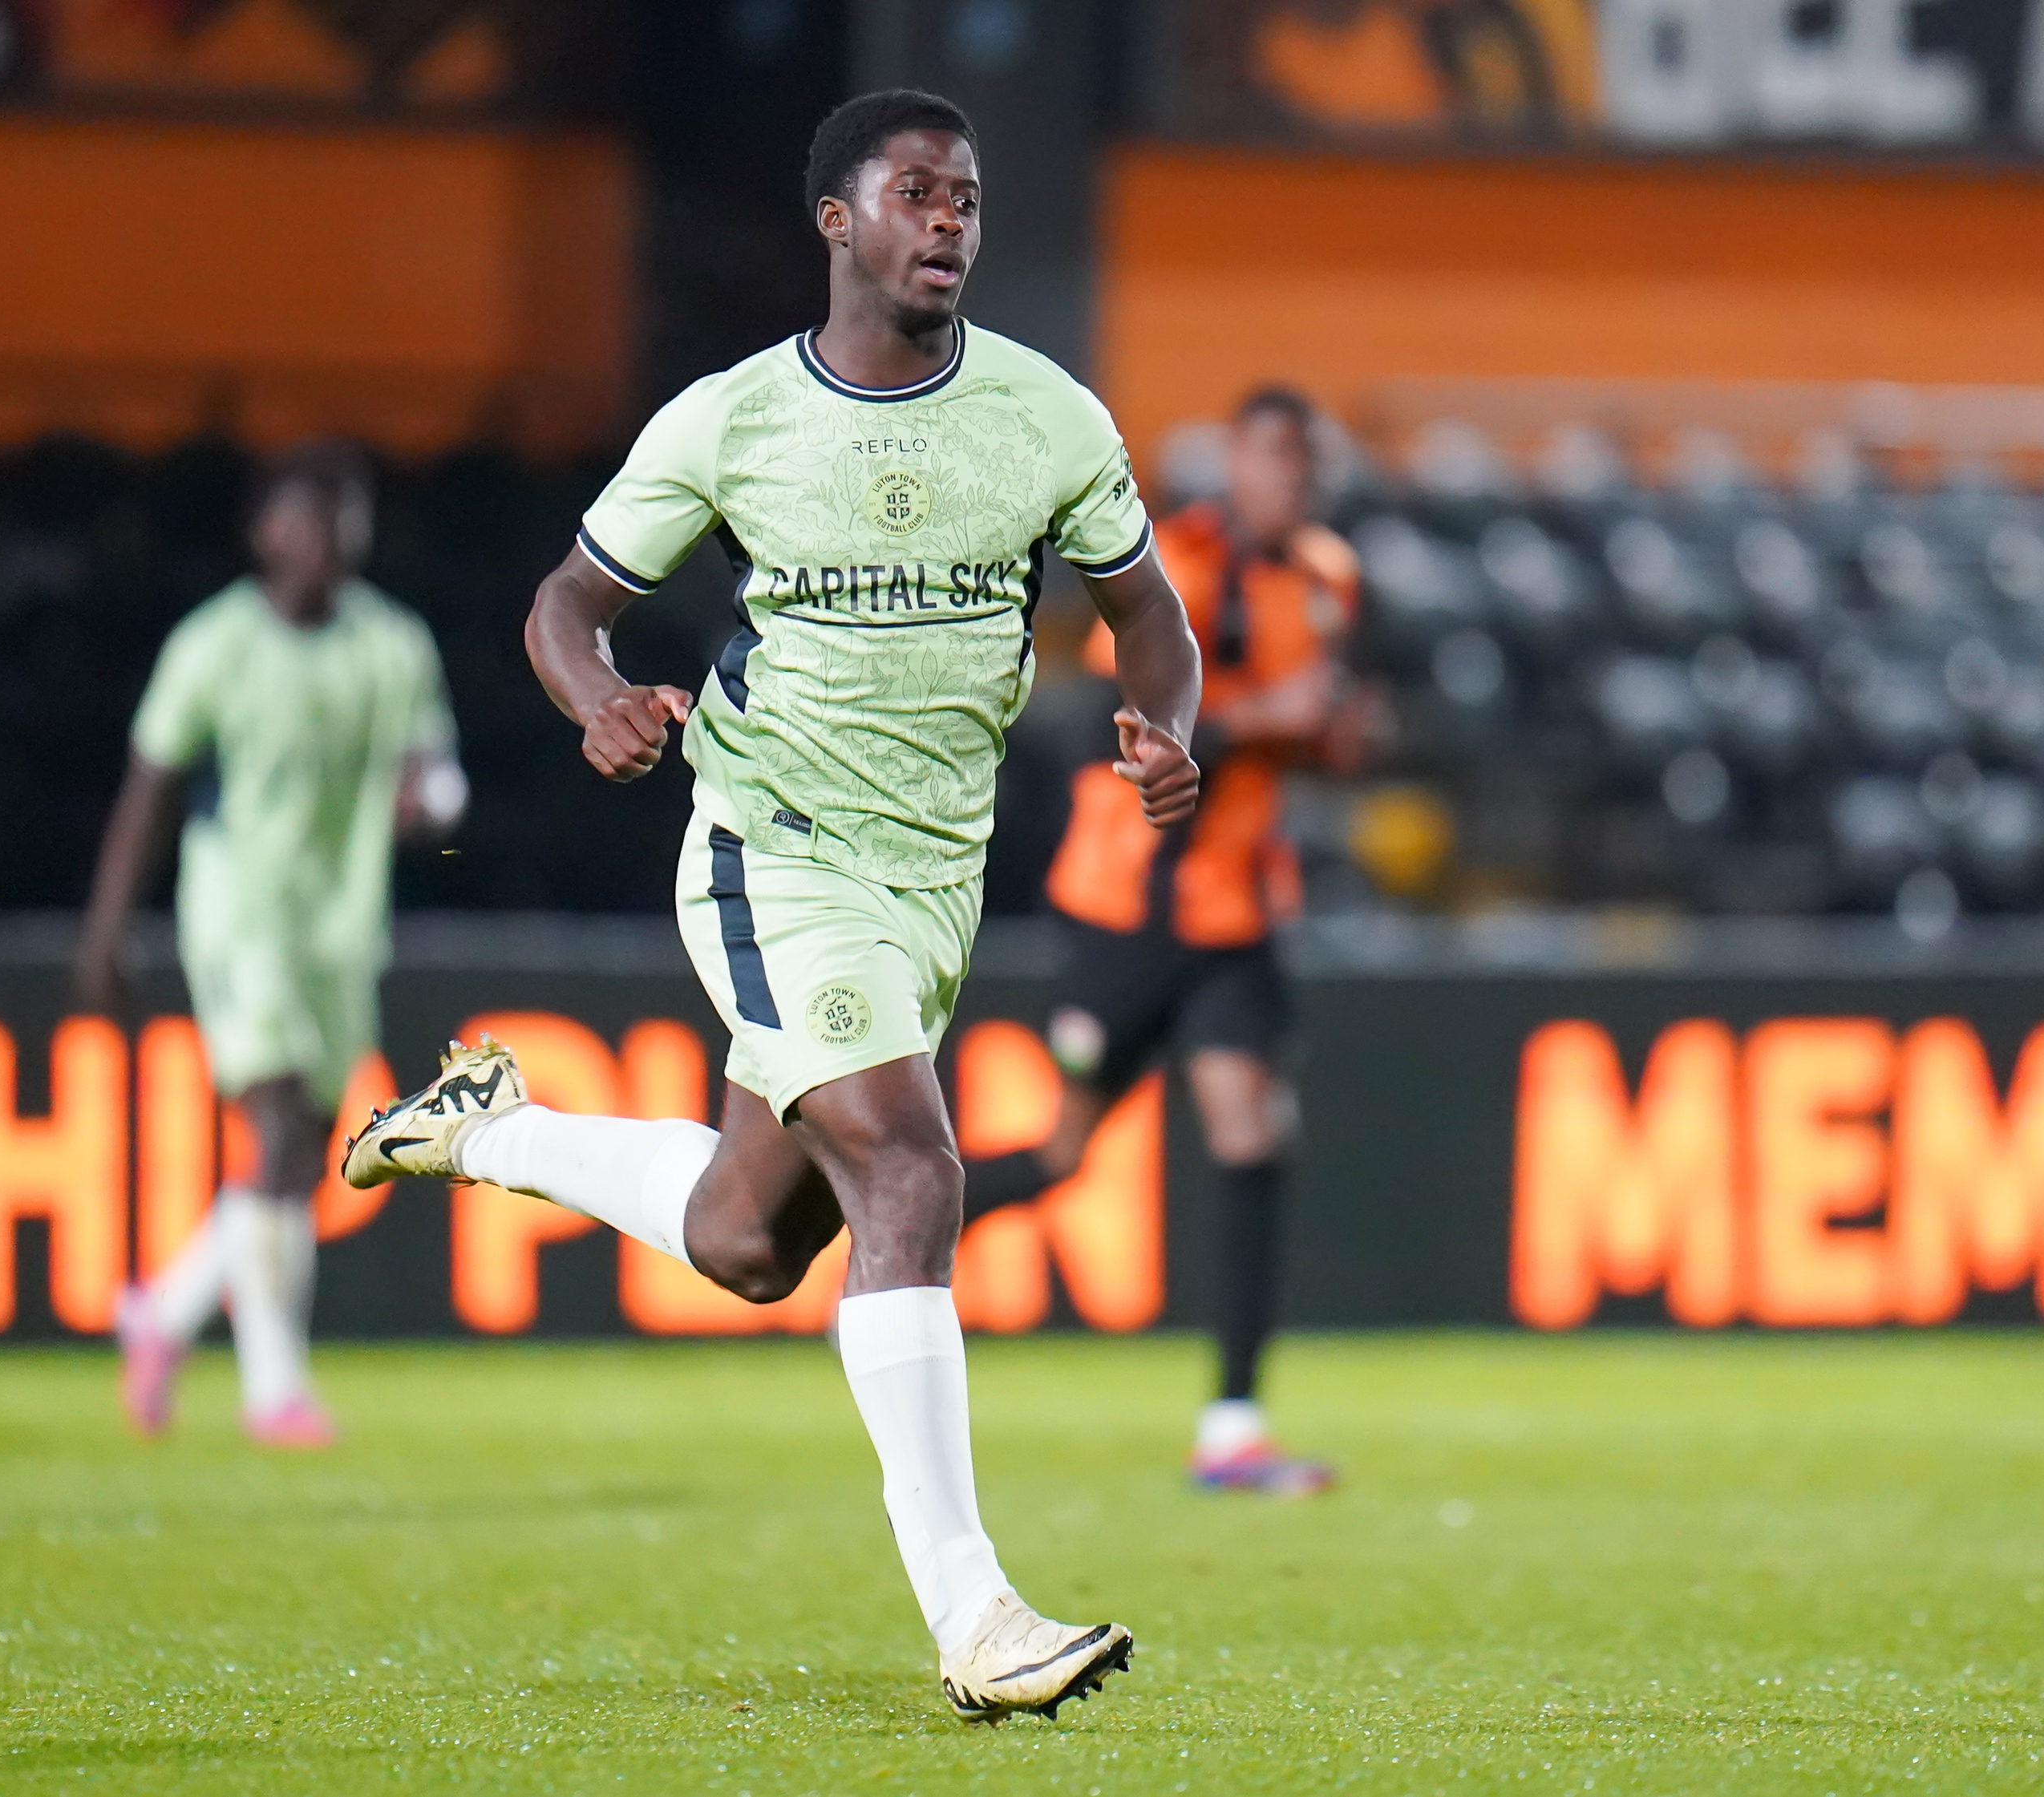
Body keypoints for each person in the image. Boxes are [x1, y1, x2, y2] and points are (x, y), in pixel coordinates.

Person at [341, 90, 1203, 1720]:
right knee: (911, 1157)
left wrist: (1170, 724)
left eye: (968, 198)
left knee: (751, 1238)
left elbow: (1149, 619)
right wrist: (594, 698)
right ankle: (977, 1614)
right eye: (917, 194)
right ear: (839, 219)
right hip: (775, 841)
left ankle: (489, 1130)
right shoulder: (734, 419)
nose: (950, 222)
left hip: (932, 878)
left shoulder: (1045, 415)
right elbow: (570, 602)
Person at [961, 387, 1362, 1496]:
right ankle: (891, 1241)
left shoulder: (1328, 576)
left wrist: (1328, 739)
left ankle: (1232, 1427)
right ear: (1234, 462)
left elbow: (1311, 728)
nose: (1296, 480)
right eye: (1276, 457)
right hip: (1128, 907)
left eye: (1308, 460)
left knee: (1250, 1136)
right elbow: (1125, 730)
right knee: (1061, 1152)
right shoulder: (1170, 567)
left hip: (1235, 909)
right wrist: (1259, 720)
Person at [76, 441, 465, 1449]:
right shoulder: (214, 646)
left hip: (338, 927)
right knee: (284, 1126)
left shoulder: (393, 644)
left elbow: (431, 770)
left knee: (297, 1157)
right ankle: (274, 1389)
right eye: (305, 518)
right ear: (264, 532)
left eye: (343, 520)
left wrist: (429, 801)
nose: (325, 539)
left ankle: (161, 1314)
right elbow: (149, 789)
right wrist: (107, 927)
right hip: (238, 911)